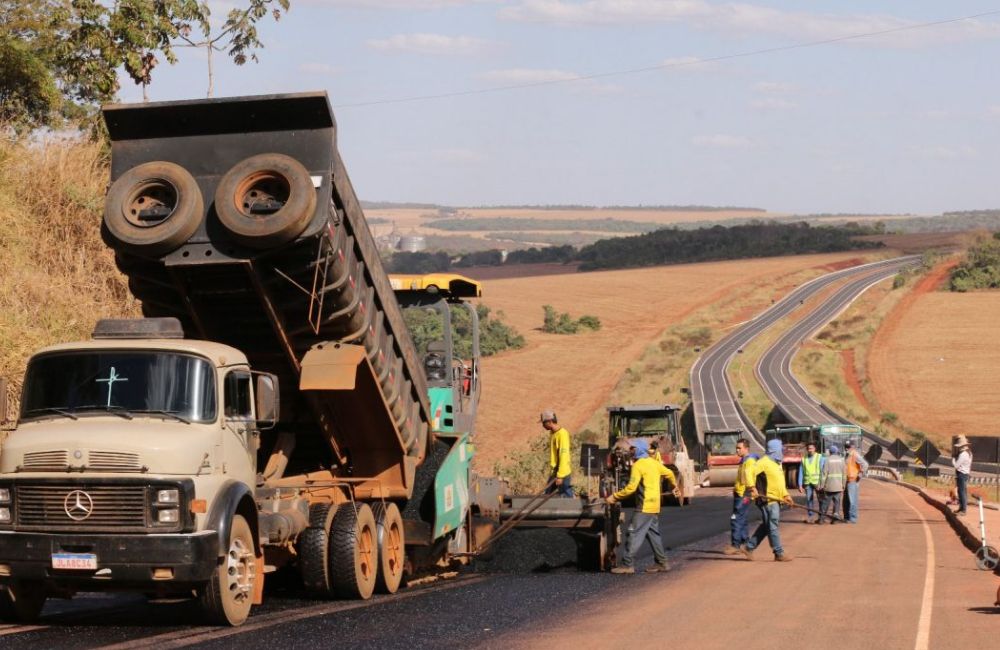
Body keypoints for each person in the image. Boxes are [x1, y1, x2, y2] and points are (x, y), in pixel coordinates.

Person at [606, 439, 678, 574]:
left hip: (645, 505)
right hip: (655, 505)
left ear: (639, 450)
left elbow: (630, 488)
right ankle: (662, 563)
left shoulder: (638, 466)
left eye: (633, 449)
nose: (631, 452)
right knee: (653, 534)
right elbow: (670, 473)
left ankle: (627, 564)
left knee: (633, 532)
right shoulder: (655, 463)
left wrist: (614, 497)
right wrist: (674, 486)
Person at [743, 438, 793, 562]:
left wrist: (786, 496)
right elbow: (748, 471)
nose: (782, 451)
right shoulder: (764, 462)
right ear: (774, 450)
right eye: (780, 449)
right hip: (767, 500)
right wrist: (752, 487)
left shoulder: (777, 464)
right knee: (773, 524)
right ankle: (778, 552)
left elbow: (779, 483)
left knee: (767, 526)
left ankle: (749, 547)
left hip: (776, 499)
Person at [723, 438, 758, 555]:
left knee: (735, 518)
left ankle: (736, 545)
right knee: (742, 519)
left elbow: (748, 477)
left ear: (746, 448)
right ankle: (745, 542)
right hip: (741, 493)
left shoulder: (749, 461)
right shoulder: (744, 460)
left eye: (739, 448)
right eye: (736, 448)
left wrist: (750, 489)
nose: (737, 450)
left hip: (744, 494)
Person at [541, 410, 573, 498]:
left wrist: (560, 476)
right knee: (547, 496)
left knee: (566, 499)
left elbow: (564, 455)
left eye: (544, 423)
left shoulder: (562, 434)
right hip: (555, 473)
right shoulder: (553, 433)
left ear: (550, 422)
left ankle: (576, 509)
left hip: (562, 473)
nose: (542, 425)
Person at [797, 442, 825, 523]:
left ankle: (821, 517)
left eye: (811, 448)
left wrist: (822, 483)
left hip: (817, 483)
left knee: (821, 500)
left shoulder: (820, 457)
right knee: (809, 500)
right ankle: (810, 516)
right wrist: (800, 485)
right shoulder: (804, 459)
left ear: (815, 449)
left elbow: (823, 471)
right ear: (807, 450)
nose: (810, 450)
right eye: (809, 449)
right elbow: (801, 472)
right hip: (807, 483)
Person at [842, 440, 869, 523]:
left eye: (848, 447)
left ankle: (853, 518)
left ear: (852, 447)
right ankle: (846, 517)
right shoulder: (846, 455)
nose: (847, 449)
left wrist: (860, 474)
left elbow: (865, 464)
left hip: (853, 481)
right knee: (845, 501)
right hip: (846, 480)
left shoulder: (855, 454)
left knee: (852, 500)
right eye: (846, 447)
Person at [817, 445, 845, 524]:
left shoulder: (827, 460)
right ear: (837, 452)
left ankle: (822, 519)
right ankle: (835, 520)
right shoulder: (841, 460)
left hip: (829, 486)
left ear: (829, 452)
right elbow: (844, 474)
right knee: (836, 503)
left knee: (825, 503)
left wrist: (821, 485)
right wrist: (843, 485)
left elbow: (824, 474)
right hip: (838, 486)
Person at [953, 435, 973, 516]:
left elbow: (956, 465)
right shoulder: (969, 453)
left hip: (961, 474)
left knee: (961, 492)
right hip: (965, 473)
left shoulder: (963, 454)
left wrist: (953, 460)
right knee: (962, 491)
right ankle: (961, 508)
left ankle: (963, 510)